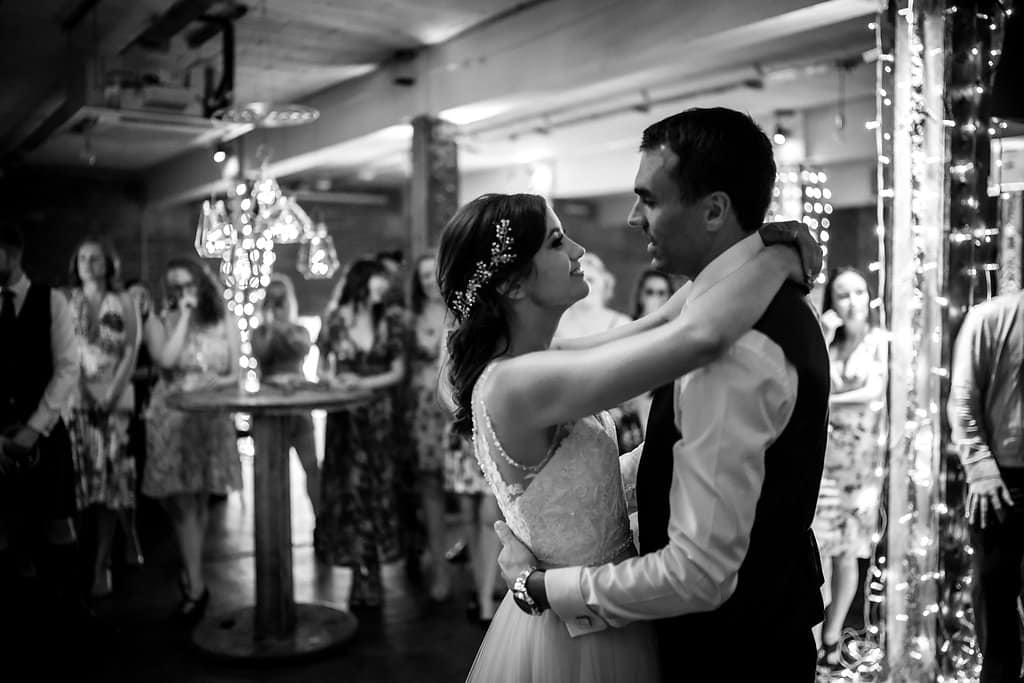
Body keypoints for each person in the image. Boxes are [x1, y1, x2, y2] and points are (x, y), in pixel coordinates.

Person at [488, 108, 830, 683]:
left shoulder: (729, 343)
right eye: (555, 241)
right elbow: (684, 344)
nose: (631, 219)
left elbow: (697, 573)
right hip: (725, 634)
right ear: (513, 283)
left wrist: (542, 586)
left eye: (648, 199)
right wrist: (780, 252)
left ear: (715, 209)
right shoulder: (723, 312)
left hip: (729, 655)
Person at [142, 258, 240, 625]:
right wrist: (181, 316)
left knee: (199, 502)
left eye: (188, 285)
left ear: (202, 284)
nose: (184, 292)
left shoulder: (224, 318)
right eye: (175, 287)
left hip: (209, 419)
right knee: (181, 504)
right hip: (173, 418)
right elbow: (165, 359)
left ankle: (192, 576)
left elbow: (236, 373)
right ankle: (196, 585)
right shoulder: (162, 320)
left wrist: (222, 380)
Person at [0, 222, 82, 651]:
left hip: (45, 431)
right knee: (8, 529)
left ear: (12, 253)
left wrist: (34, 427)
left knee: (55, 522)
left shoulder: (52, 301)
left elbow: (68, 368)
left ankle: (67, 618)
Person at [316, 258, 406, 608]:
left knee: (377, 489)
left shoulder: (391, 321)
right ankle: (356, 573)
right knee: (349, 490)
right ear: (360, 282)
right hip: (345, 418)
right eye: (377, 281)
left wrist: (362, 382)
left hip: (380, 418)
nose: (383, 287)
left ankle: (375, 569)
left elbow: (397, 372)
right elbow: (322, 366)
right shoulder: (335, 320)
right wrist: (334, 381)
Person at [811, 267, 886, 670]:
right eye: (843, 294)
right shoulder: (830, 344)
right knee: (816, 550)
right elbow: (811, 378)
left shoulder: (879, 342)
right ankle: (814, 634)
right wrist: (823, 333)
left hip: (860, 468)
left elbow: (874, 394)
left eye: (859, 291)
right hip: (822, 463)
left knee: (847, 555)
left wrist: (825, 407)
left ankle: (832, 637)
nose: (852, 301)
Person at [949, 289, 1024, 683]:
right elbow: (963, 397)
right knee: (996, 610)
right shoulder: (991, 318)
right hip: (1002, 479)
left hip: (1002, 477)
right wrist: (980, 466)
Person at [65, 237, 143, 599]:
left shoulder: (122, 300)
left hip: (115, 401)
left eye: (95, 258)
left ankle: (104, 563)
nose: (88, 263)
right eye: (83, 257)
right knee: (85, 488)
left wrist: (112, 395)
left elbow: (131, 350)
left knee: (114, 485)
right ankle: (86, 558)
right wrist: (77, 389)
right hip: (78, 402)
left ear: (108, 264)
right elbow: (64, 352)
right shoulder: (67, 302)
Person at [406, 253, 455, 601]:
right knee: (430, 490)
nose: (428, 280)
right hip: (423, 412)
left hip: (454, 411)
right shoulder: (409, 320)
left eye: (432, 273)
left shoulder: (460, 312)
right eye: (422, 275)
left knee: (470, 495)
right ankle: (438, 568)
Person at [251, 273, 319, 515]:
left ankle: (320, 523)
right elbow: (262, 352)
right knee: (272, 472)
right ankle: (274, 531)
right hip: (269, 407)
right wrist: (270, 325)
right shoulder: (259, 333)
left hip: (298, 406)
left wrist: (285, 326)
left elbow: (303, 347)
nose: (279, 307)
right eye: (274, 302)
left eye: (283, 301)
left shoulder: (300, 330)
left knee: (311, 466)